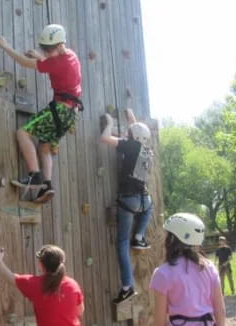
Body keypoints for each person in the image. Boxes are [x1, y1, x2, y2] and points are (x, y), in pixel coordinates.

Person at [0, 24, 83, 203]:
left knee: (22, 133)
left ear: (60, 46)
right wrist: (42, 57)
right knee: (44, 147)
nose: (46, 52)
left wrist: (5, 46)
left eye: (49, 49)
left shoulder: (56, 61)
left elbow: (25, 63)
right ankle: (47, 187)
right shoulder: (70, 55)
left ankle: (34, 175)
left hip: (60, 109)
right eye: (44, 49)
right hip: (71, 115)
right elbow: (54, 65)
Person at [100, 109, 153, 303]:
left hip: (128, 200)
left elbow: (105, 138)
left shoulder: (129, 146)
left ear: (133, 136)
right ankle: (139, 236)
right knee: (149, 207)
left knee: (122, 244)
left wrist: (110, 123)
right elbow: (138, 131)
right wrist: (132, 116)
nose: (127, 133)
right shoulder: (147, 149)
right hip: (143, 200)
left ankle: (127, 286)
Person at [150, 213, 226, 326]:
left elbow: (159, 321)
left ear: (171, 239)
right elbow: (220, 311)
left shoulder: (163, 273)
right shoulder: (209, 267)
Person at [0, 244, 84, 326]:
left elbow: (9, 276)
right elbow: (80, 311)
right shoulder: (73, 284)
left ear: (40, 264)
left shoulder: (34, 284)